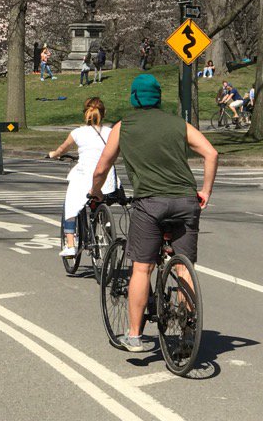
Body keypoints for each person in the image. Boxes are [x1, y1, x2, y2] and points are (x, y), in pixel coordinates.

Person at [89, 74, 218, 353]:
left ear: (134, 97)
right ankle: (187, 331)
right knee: (183, 267)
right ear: (158, 97)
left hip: (150, 204)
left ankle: (134, 335)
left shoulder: (124, 127)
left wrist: (96, 192)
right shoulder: (177, 124)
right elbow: (211, 153)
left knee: (141, 267)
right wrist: (205, 190)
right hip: (185, 201)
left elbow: (101, 168)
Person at [47, 98, 121, 257]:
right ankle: (106, 228)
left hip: (85, 177)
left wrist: (54, 154)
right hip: (106, 178)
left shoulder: (77, 133)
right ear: (104, 113)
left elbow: (62, 149)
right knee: (102, 199)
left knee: (71, 204)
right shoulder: (111, 132)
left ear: (85, 113)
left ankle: (71, 245)